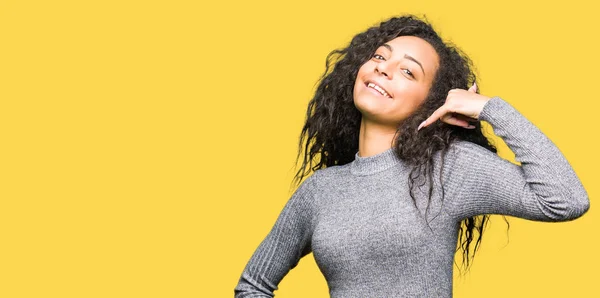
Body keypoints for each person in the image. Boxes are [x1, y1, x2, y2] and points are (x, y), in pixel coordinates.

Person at [233, 14, 590, 297]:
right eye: (378, 57)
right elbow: (253, 285)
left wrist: (489, 108)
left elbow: (566, 199)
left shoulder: (448, 169)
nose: (383, 69)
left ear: (430, 102)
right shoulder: (320, 191)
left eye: (407, 71)